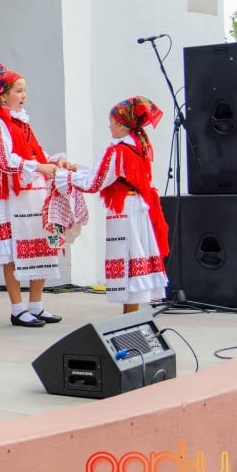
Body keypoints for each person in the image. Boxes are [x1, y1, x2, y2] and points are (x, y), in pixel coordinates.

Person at [55, 96, 169, 313]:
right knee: (134, 256)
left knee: (128, 257)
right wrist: (77, 169)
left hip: (124, 210)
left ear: (120, 124)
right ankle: (131, 313)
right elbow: (107, 176)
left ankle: (129, 315)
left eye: (111, 122)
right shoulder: (138, 147)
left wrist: (63, 176)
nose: (109, 126)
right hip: (137, 206)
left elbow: (95, 183)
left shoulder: (117, 151)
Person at [0, 63, 70, 327]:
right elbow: (2, 160)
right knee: (12, 252)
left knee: (40, 246)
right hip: (10, 195)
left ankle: (37, 305)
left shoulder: (22, 123)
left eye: (24, 90)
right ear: (3, 95)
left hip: (32, 194)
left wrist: (56, 162)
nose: (24, 95)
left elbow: (35, 155)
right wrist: (39, 166)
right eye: (19, 90)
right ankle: (17, 308)